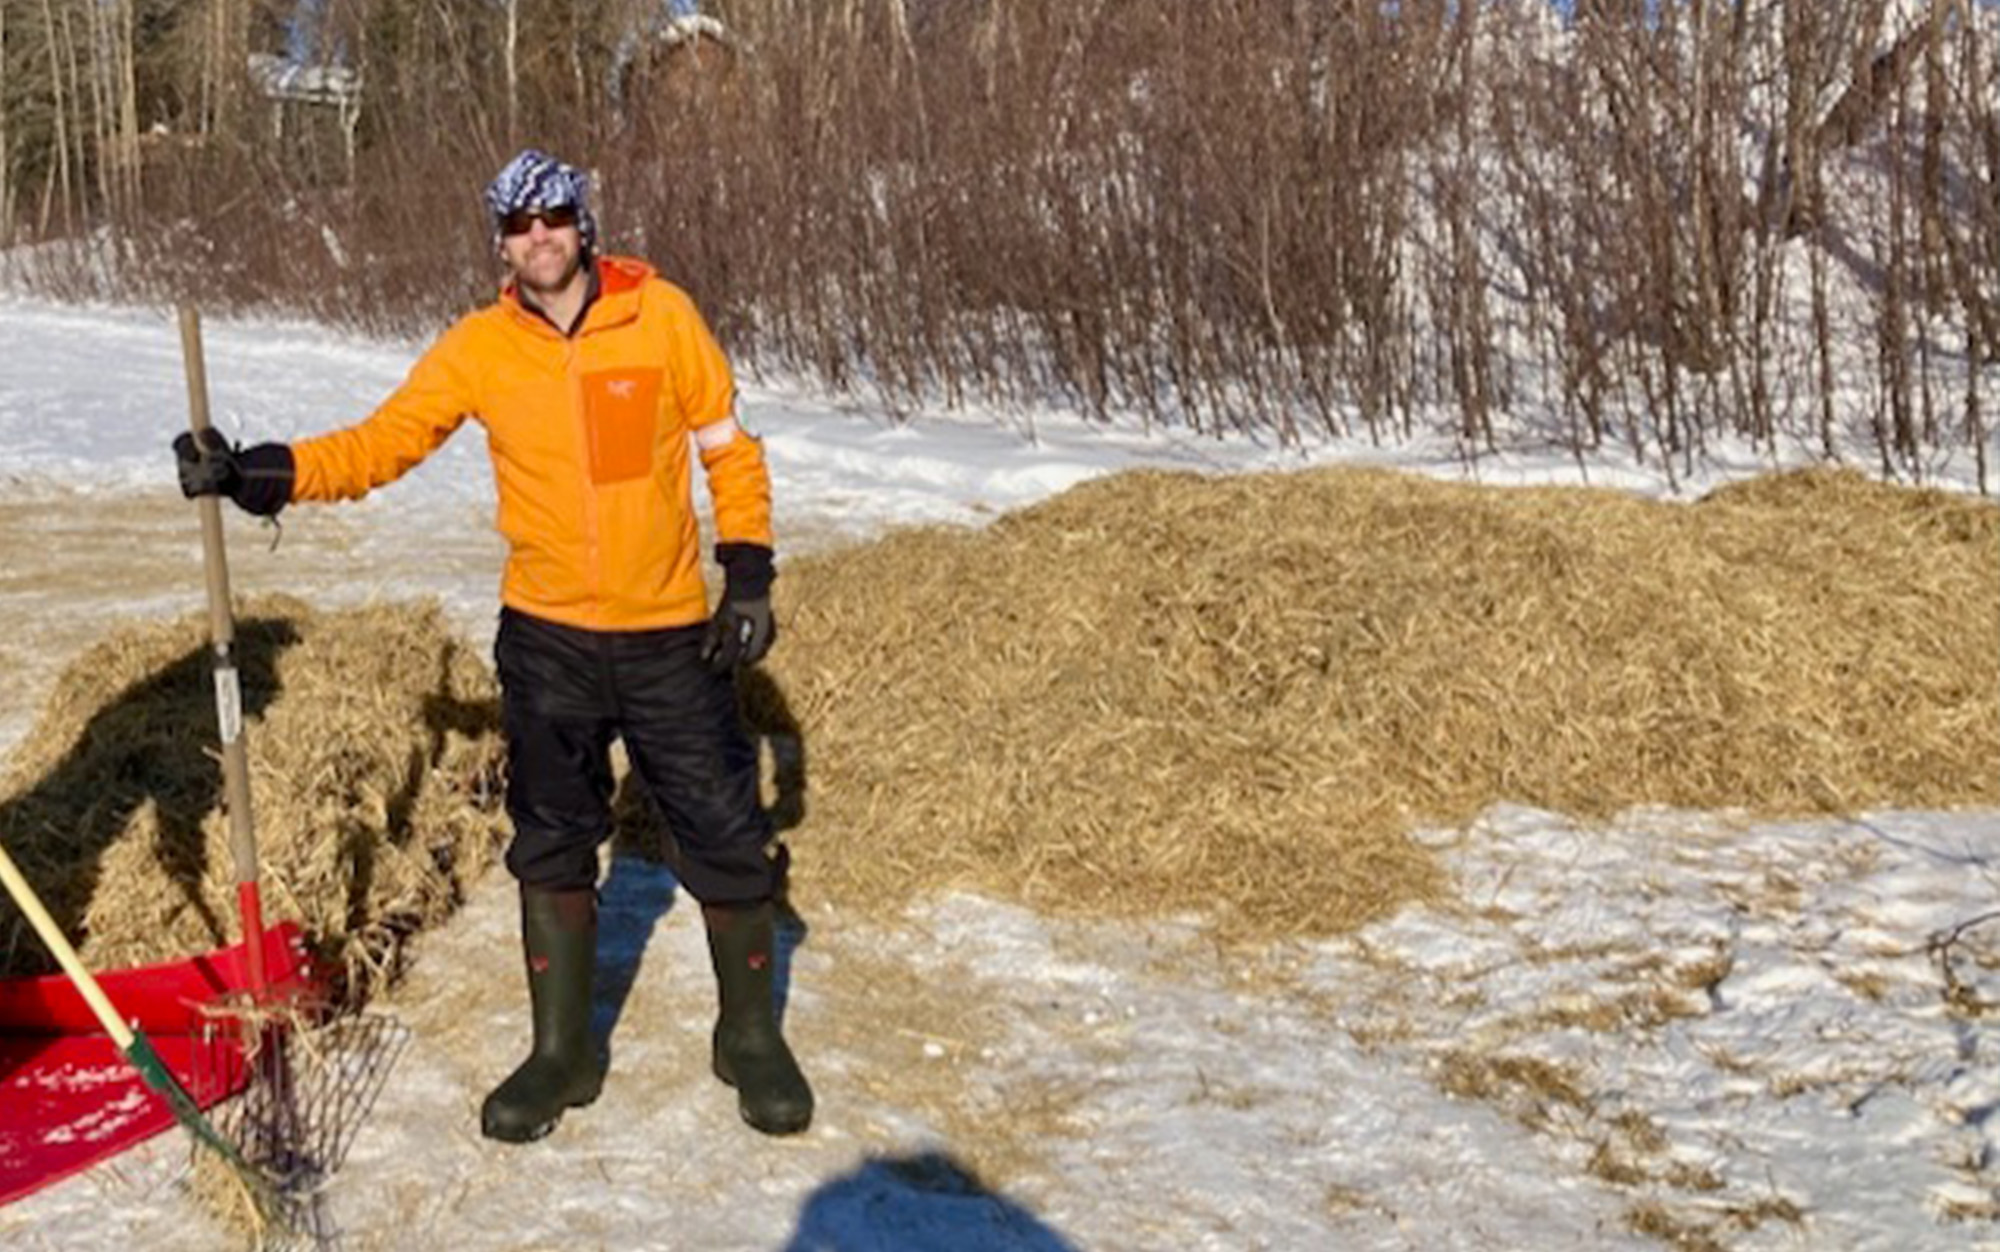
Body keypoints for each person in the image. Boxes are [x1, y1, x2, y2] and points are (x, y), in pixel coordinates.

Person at [173, 148, 812, 1142]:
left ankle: (750, 1039)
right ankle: (561, 1052)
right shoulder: (479, 346)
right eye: (518, 225)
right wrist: (261, 473)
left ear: (582, 223)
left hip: (664, 635)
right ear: (500, 243)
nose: (539, 236)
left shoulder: (662, 316)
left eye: (554, 215)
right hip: (547, 638)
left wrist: (751, 570)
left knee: (725, 833)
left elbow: (729, 449)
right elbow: (384, 442)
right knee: (553, 840)